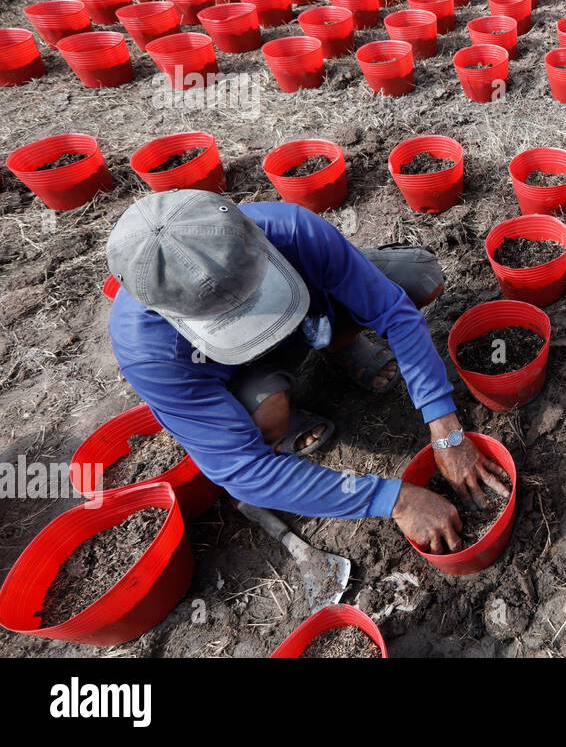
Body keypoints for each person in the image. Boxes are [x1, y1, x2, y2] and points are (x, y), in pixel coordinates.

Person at [105, 188, 508, 553]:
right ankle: (283, 411)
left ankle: (341, 345)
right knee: (265, 420)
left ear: (255, 237)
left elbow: (393, 312)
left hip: (312, 317)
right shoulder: (149, 350)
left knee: (417, 275)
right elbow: (243, 470)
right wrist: (394, 499)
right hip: (246, 374)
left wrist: (445, 427)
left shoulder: (290, 229)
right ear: (165, 313)